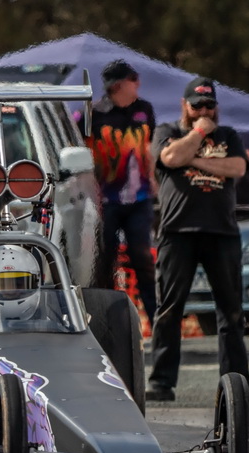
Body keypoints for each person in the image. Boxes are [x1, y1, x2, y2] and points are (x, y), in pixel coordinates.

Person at [146, 76, 249, 401]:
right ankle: (162, 382)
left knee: (231, 312)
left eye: (209, 105)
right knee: (169, 308)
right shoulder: (167, 132)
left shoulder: (229, 136)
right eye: (197, 106)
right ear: (184, 106)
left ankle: (236, 381)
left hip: (222, 232)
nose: (204, 111)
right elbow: (170, 159)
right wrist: (199, 134)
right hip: (178, 232)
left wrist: (193, 159)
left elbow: (238, 167)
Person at [84, 59, 157, 321]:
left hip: (140, 198)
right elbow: (79, 148)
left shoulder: (144, 110)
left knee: (142, 257)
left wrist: (155, 180)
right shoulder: (94, 113)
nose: (138, 84)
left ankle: (156, 318)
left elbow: (150, 147)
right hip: (105, 199)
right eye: (133, 79)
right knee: (104, 259)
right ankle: (104, 318)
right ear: (118, 85)